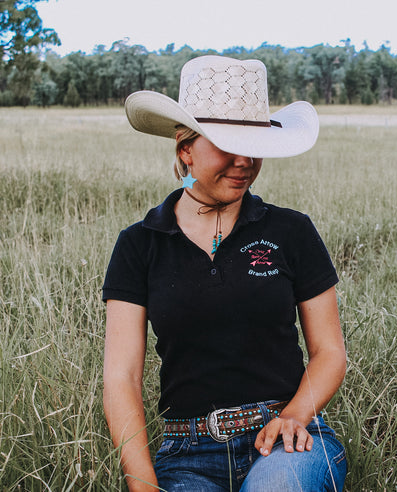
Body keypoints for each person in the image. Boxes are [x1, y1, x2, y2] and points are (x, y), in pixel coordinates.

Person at [102, 55, 347, 492]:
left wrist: (294, 415)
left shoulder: (291, 230)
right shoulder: (139, 244)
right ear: (185, 149)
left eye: (254, 146)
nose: (243, 161)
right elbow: (122, 377)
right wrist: (141, 484)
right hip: (186, 453)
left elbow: (330, 352)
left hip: (287, 438)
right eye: (225, 144)